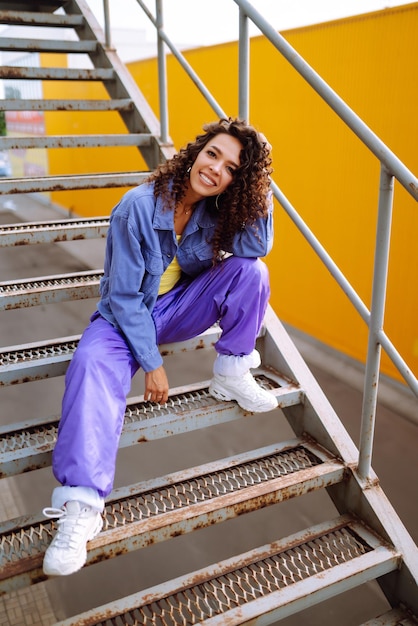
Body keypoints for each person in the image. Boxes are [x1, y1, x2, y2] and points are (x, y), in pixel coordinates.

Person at [42, 117, 278, 577]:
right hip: (123, 316)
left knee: (252, 273)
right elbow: (125, 299)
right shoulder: (137, 206)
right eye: (213, 154)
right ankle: (81, 508)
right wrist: (152, 364)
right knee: (90, 365)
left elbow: (257, 247)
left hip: (174, 310)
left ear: (236, 180)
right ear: (196, 152)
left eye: (232, 168)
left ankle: (231, 372)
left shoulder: (218, 212)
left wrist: (261, 186)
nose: (216, 170)